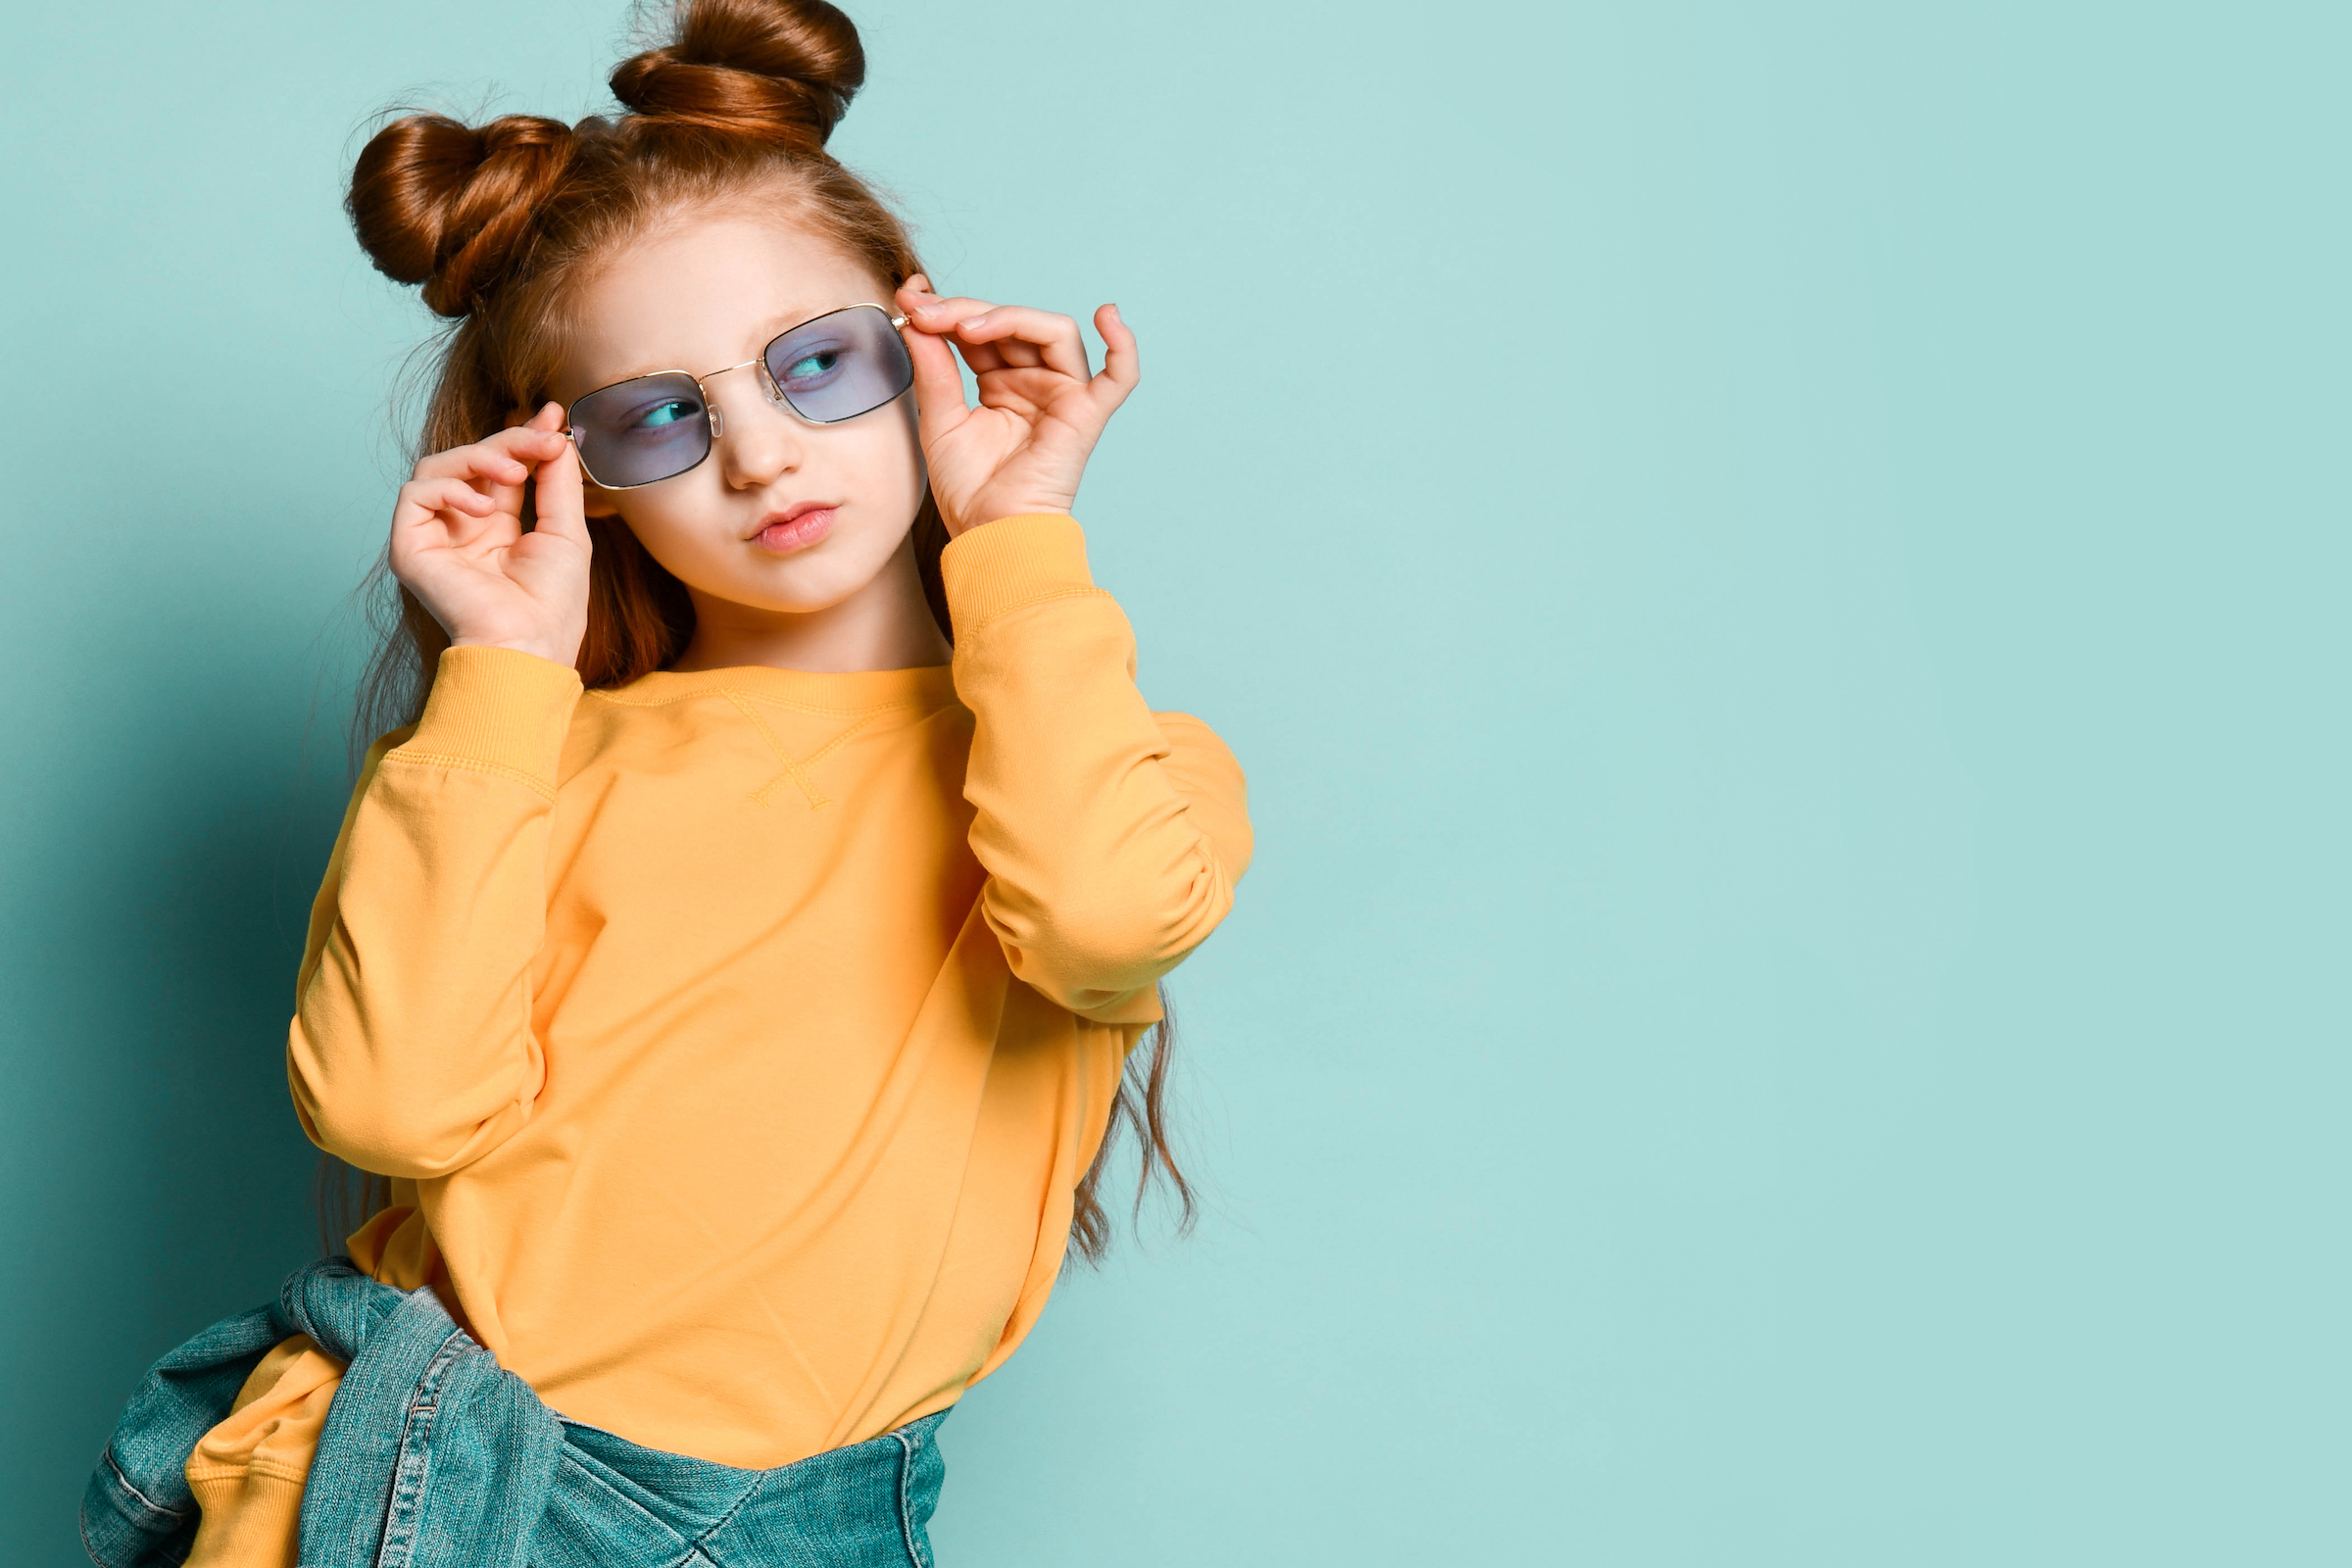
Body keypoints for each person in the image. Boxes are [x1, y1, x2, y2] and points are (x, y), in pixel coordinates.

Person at [78, 1, 1250, 1563]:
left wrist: (1019, 534)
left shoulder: (1113, 758)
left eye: (819, 365)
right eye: (661, 417)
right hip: (442, 1491)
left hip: (807, 1512)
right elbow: (389, 1106)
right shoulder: (517, 761)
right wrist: (500, 667)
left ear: (927, 353)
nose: (763, 456)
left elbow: (1100, 921)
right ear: (582, 478)